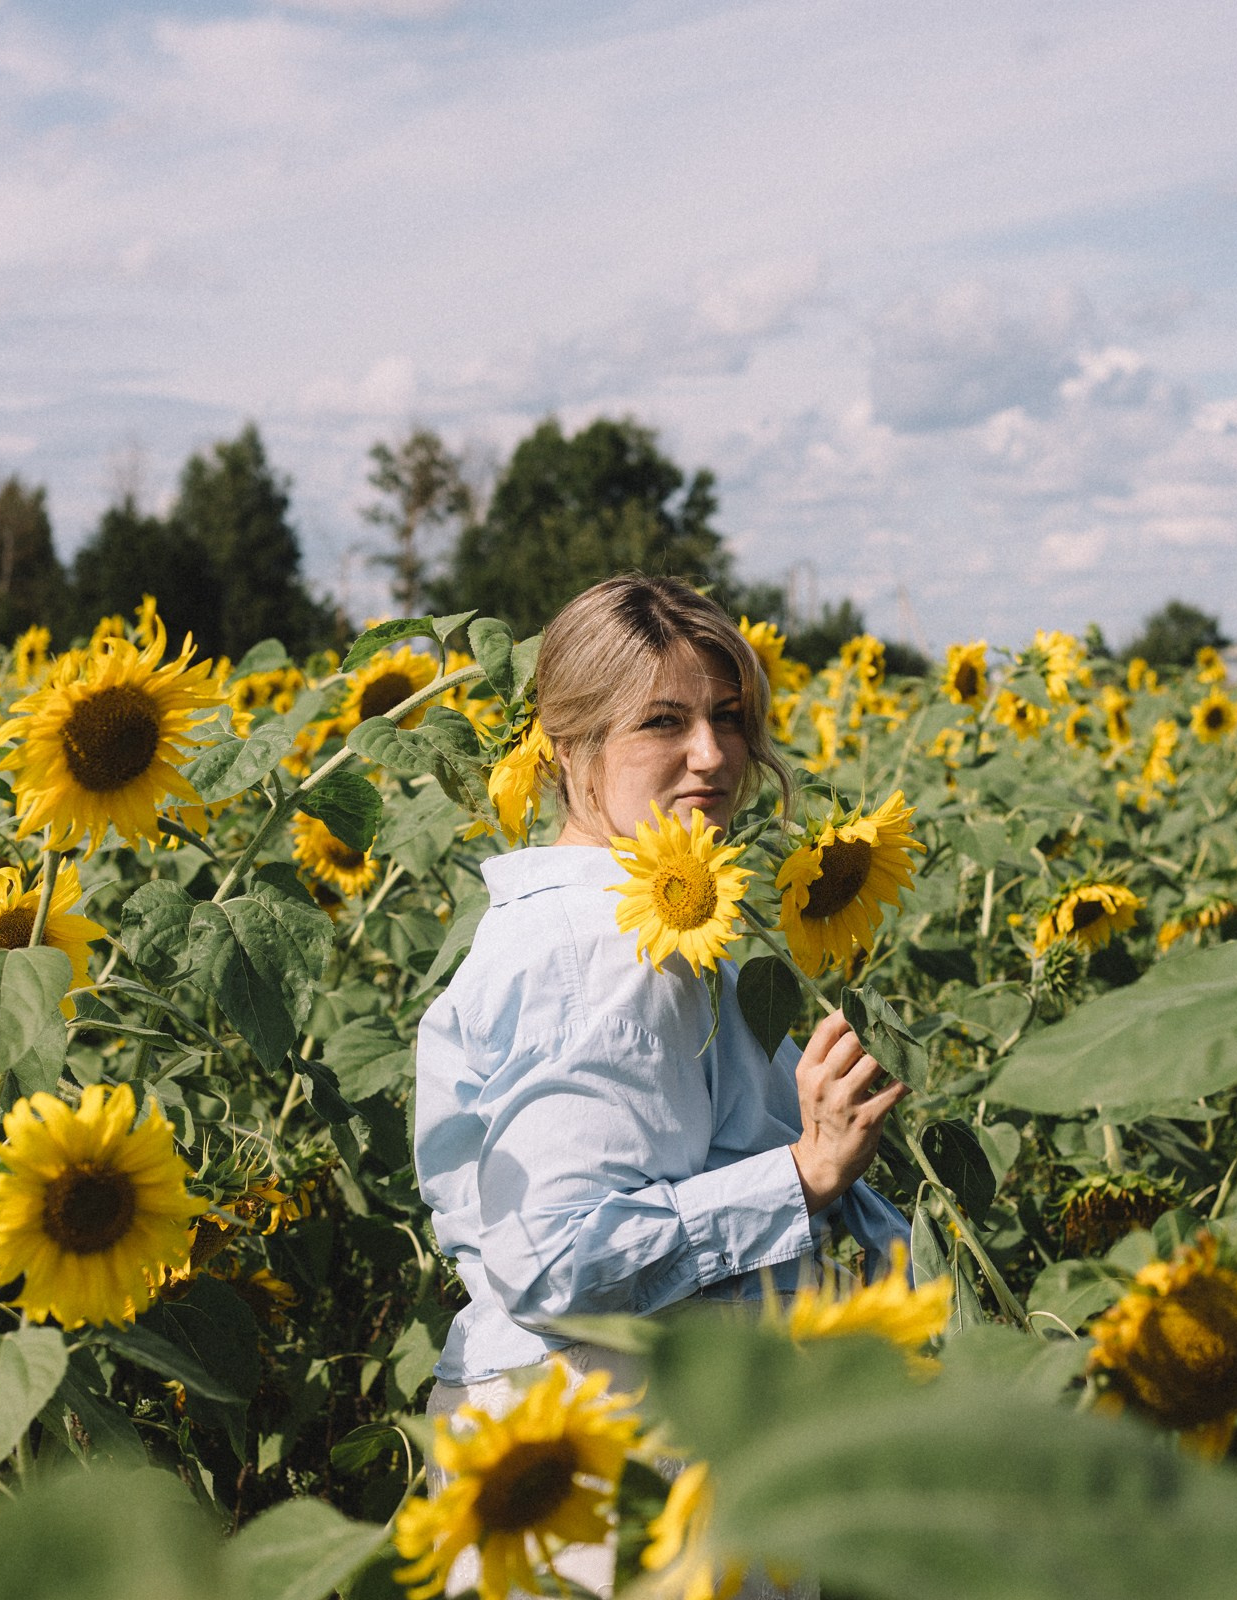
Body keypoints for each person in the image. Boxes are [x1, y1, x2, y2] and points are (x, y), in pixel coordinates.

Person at [412, 574, 911, 1594]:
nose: (715, 755)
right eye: (663, 721)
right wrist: (803, 1176)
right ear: (567, 743)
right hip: (615, 1466)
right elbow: (557, 1259)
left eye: (729, 716)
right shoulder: (608, 949)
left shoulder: (609, 928)